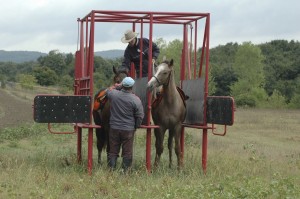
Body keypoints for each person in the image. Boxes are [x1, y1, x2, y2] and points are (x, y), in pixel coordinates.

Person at [106, 77, 144, 172]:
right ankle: (125, 172)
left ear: (122, 85)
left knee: (113, 151)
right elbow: (140, 116)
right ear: (132, 86)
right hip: (128, 130)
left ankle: (111, 170)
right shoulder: (136, 99)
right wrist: (135, 126)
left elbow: (108, 90)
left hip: (114, 127)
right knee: (127, 152)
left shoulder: (113, 95)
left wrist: (117, 87)